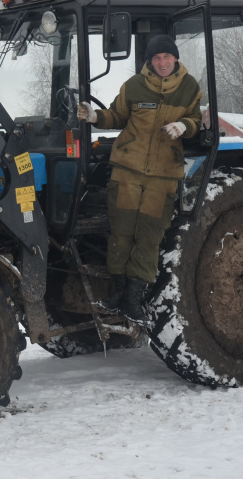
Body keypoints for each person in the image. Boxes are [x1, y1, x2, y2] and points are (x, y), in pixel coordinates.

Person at [77, 34, 202, 327]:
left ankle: (133, 300)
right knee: (121, 233)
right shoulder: (133, 86)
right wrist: (95, 116)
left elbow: (197, 120)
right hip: (127, 170)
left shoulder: (189, 88)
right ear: (149, 61)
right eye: (156, 58)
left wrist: (184, 125)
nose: (161, 63)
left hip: (163, 176)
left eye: (166, 57)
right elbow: (117, 116)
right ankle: (117, 294)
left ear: (175, 59)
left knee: (148, 237)